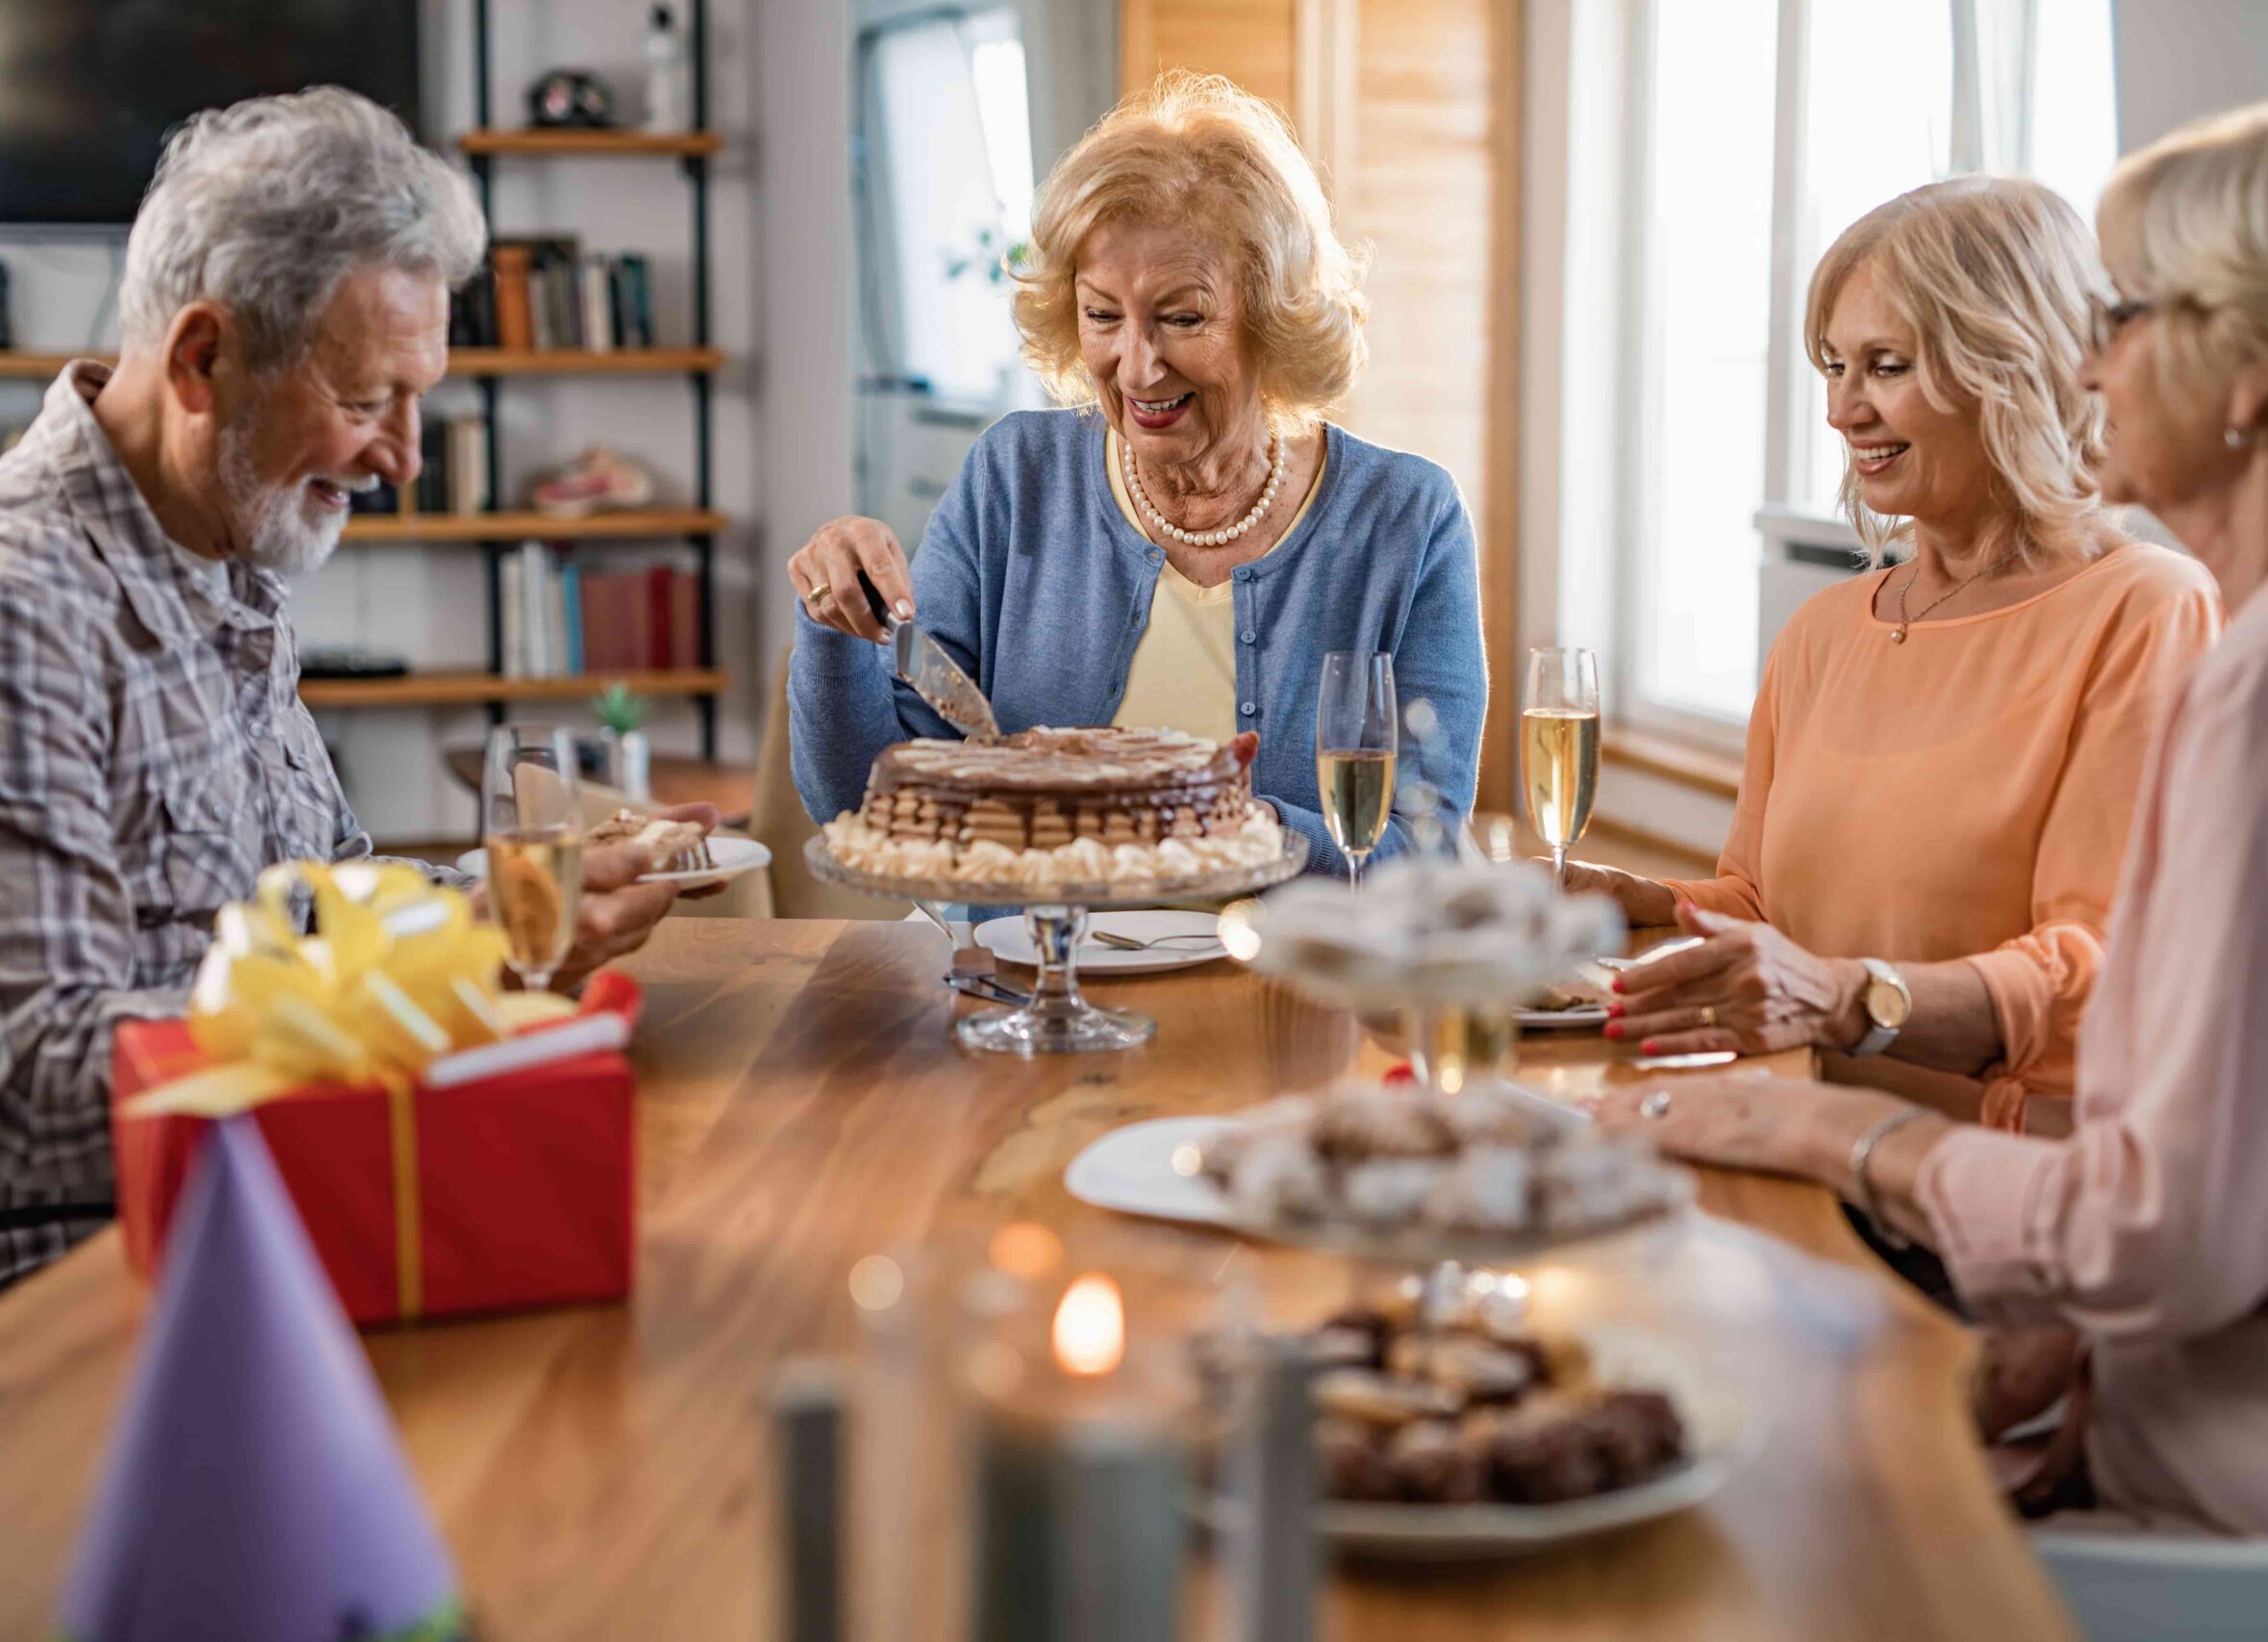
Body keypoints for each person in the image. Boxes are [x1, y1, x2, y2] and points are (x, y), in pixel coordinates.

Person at [1606, 88, 2268, 1537]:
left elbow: (2152, 1222)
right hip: (2211, 1426)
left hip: (2266, 1506)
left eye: (2124, 316)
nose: (2091, 359)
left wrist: (1825, 1136)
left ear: (2249, 369)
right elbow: (2260, 1158)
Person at [0, 90, 699, 1288]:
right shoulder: (27, 606)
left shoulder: (223, 545)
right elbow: (29, 1074)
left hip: (283, 1219)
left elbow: (319, 903)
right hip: (101, 1292)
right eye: (367, 401)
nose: (408, 457)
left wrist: (506, 912)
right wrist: (446, 967)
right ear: (203, 360)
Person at [1569, 178, 2217, 1132]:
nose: (1841, 409)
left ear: (2015, 365)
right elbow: (1760, 907)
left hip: (1986, 1194)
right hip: (1788, 1136)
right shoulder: (1823, 632)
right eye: (1832, 365)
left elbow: (2101, 971)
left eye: (1886, 365)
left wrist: (1845, 1000)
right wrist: (1635, 902)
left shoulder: (2144, 612)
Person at [786, 73, 1485, 874]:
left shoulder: (1406, 519)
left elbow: (1424, 853)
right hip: (1030, 984)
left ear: (1270, 316)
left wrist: (1211, 814)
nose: (1138, 367)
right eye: (1102, 315)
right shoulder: (1015, 479)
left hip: (1284, 993)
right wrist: (835, 628)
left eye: (1183, 317)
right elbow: (863, 800)